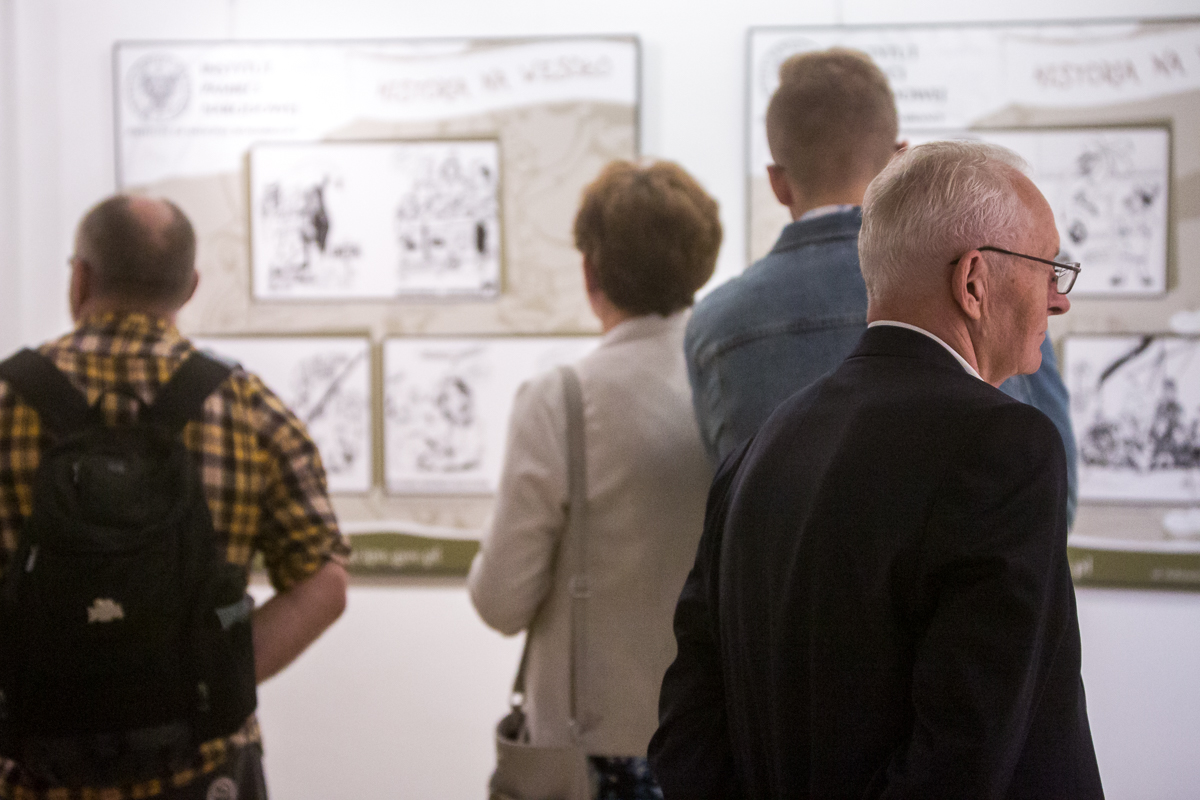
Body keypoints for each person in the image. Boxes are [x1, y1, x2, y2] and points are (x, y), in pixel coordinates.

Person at [649, 141, 1103, 799]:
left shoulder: (758, 452)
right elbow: (963, 754)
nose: (1058, 301)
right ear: (973, 281)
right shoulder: (1005, 445)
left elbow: (687, 731)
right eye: (1048, 268)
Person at [0, 195, 350, 799]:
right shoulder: (248, 406)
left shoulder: (7, 402)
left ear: (80, 279)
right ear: (189, 287)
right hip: (204, 773)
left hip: (41, 778)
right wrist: (214, 677)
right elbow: (325, 582)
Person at [685, 48, 1079, 524]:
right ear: (900, 162)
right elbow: (1055, 500)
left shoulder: (716, 324)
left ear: (777, 182)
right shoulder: (987, 289)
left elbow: (732, 516)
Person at [469, 160, 720, 798]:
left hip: (594, 751)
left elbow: (501, 601)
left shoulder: (559, 399)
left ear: (590, 272)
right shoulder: (731, 383)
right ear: (700, 266)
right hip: (715, 743)